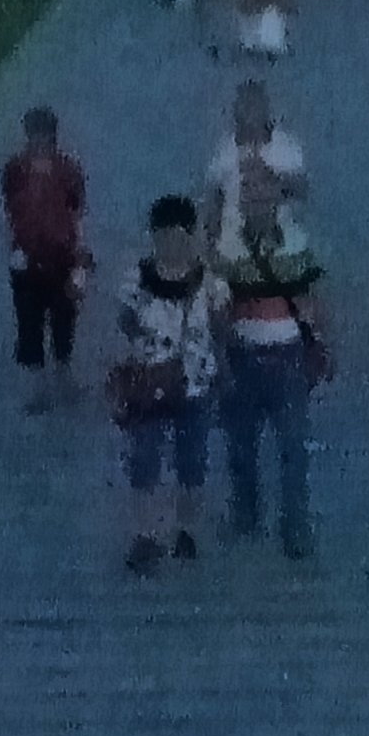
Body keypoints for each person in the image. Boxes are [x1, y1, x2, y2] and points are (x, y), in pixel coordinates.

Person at [205, 82, 329, 560]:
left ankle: (295, 525)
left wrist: (321, 342)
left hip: (286, 349)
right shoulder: (226, 249)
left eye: (263, 193)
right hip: (241, 346)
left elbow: (313, 295)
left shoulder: (295, 240)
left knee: (293, 444)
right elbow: (218, 307)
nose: (255, 199)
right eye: (249, 194)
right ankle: (246, 512)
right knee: (240, 443)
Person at [115, 196, 231, 574]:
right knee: (144, 458)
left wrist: (222, 366)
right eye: (163, 235)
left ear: (191, 236)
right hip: (149, 381)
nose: (171, 243)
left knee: (191, 460)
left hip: (196, 383)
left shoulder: (211, 282)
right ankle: (145, 533)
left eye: (179, 235)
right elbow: (124, 320)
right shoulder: (136, 278)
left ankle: (186, 529)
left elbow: (222, 329)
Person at [1, 107, 89, 412]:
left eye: (44, 136)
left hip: (62, 256)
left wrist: (80, 260)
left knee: (64, 317)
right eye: (34, 135)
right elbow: (11, 211)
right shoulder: (15, 170)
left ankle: (64, 375)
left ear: (53, 137)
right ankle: (38, 386)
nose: (39, 142)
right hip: (27, 258)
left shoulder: (68, 171)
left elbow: (77, 214)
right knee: (30, 322)